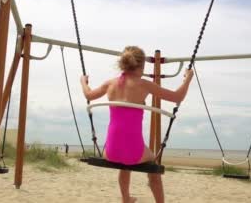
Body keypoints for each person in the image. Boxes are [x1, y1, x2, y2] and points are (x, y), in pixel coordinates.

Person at [80, 46, 194, 203]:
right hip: (134, 153)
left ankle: (126, 198)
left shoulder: (110, 84)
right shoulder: (144, 85)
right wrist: (188, 78)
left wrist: (83, 81)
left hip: (110, 152)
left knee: (124, 164)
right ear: (141, 66)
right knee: (153, 162)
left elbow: (88, 95)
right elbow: (177, 96)